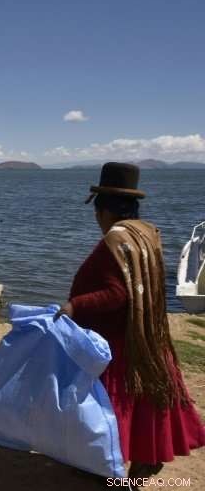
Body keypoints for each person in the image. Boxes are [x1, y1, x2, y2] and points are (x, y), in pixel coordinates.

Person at [57, 162, 204, 479]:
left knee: (115, 405)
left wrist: (74, 305)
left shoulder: (115, 241)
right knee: (148, 399)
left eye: (98, 214)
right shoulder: (145, 233)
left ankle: (105, 462)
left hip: (121, 342)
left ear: (104, 211)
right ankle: (145, 457)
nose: (97, 221)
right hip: (148, 335)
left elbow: (117, 294)